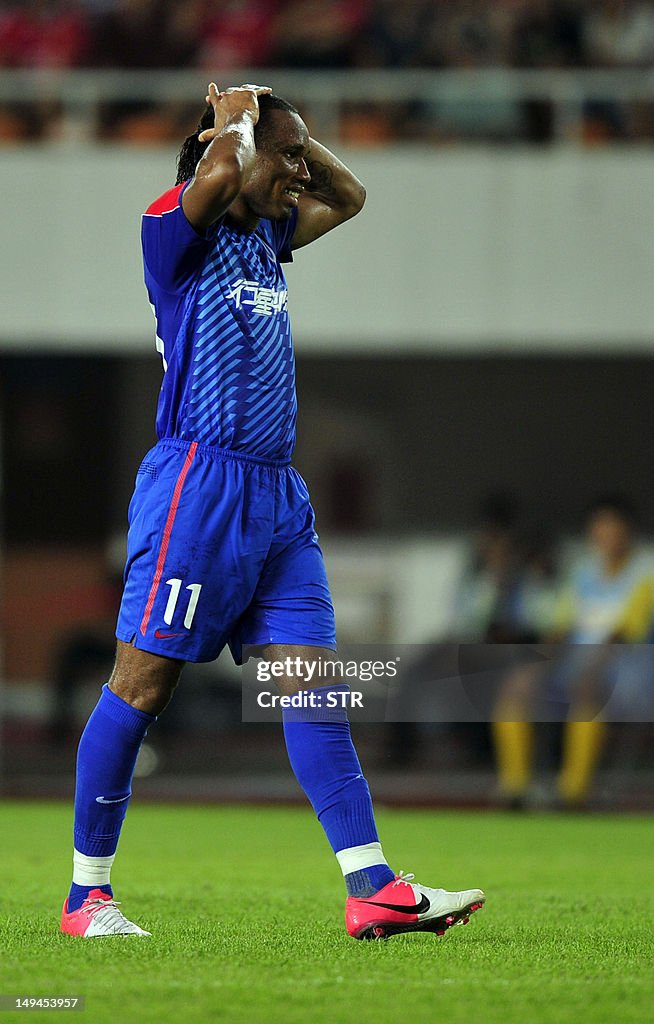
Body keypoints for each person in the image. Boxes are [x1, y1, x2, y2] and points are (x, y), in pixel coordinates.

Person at [59, 82, 484, 940]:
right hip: (196, 490)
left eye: (298, 156)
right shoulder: (171, 231)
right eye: (284, 157)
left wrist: (286, 143)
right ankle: (86, 898)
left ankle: (371, 887)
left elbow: (350, 195)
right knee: (140, 688)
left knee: (312, 688)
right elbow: (219, 172)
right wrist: (240, 123)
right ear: (232, 154)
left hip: (276, 498)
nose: (298, 172)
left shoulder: (267, 238)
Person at [493, 493, 652, 809]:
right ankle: (515, 790)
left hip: (629, 667)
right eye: (599, 529)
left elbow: (627, 633)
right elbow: (563, 627)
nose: (605, 537)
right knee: (516, 690)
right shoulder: (582, 573)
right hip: (580, 664)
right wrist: (537, 666)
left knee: (587, 691)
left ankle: (573, 793)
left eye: (612, 529)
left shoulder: (645, 573)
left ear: (627, 532)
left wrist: (593, 667)